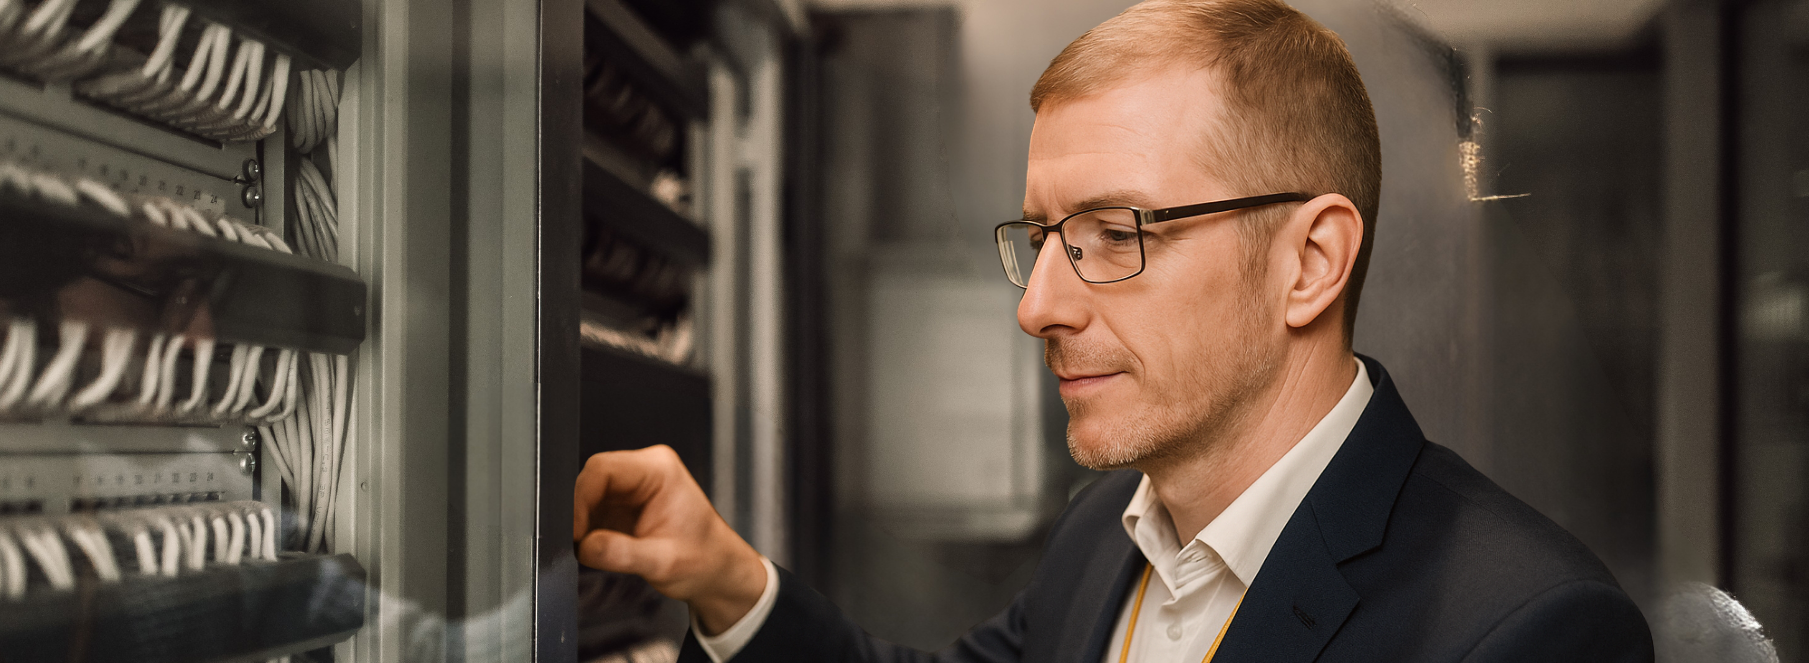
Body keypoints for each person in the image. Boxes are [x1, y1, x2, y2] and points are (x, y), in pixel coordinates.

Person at [573, 0, 1657, 660]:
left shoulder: (1525, 629)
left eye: (1113, 233)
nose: (1037, 304)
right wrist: (723, 577)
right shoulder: (1114, 532)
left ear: (1310, 262)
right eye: (1042, 235)